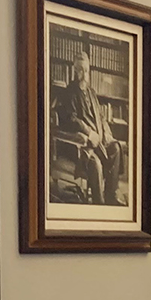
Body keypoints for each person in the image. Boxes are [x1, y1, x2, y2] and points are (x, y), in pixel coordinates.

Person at [54, 49, 123, 205]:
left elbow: (101, 117)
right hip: (81, 144)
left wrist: (106, 133)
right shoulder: (69, 92)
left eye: (86, 70)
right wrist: (89, 131)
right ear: (74, 70)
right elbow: (70, 119)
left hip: (100, 139)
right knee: (95, 163)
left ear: (89, 71)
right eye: (79, 70)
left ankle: (111, 195)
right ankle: (100, 204)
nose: (83, 74)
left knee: (116, 148)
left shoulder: (92, 92)